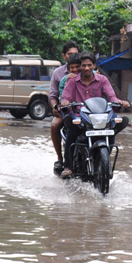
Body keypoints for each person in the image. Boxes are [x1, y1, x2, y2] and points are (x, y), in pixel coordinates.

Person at [60, 52, 130, 177]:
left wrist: (120, 102)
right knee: (71, 132)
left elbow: (111, 97)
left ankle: (105, 160)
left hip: (99, 116)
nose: (86, 68)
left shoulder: (102, 80)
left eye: (89, 65)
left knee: (112, 127)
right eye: (84, 65)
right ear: (80, 66)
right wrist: (65, 102)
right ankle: (67, 166)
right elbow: (66, 97)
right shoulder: (72, 81)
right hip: (79, 115)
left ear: (94, 65)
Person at [49, 41, 80, 175]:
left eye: (75, 54)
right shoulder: (58, 74)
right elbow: (53, 94)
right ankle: (60, 159)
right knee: (55, 125)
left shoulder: (85, 69)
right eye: (69, 54)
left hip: (84, 110)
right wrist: (56, 107)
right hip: (66, 110)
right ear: (64, 56)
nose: (75, 70)